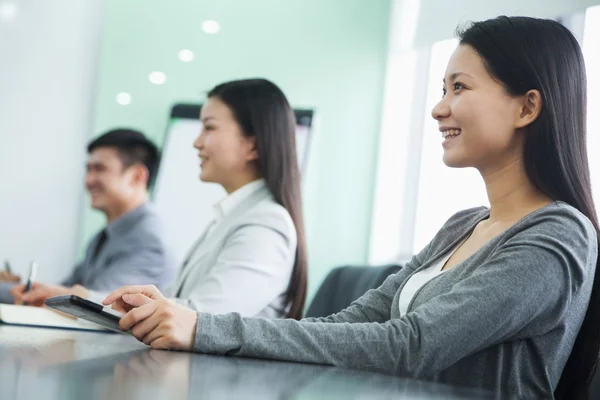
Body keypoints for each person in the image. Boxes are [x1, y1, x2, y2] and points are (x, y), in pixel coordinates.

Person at [103, 17, 600, 398]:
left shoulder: (558, 233)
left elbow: (410, 346)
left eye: (460, 88)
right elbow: (350, 323)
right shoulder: (463, 225)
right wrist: (197, 327)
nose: (438, 108)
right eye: (441, 89)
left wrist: (205, 328)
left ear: (527, 107)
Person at [116, 79, 308, 319]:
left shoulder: (265, 223)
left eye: (209, 127)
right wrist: (92, 301)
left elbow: (205, 320)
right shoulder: (236, 215)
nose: (197, 143)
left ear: (253, 145)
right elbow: (178, 303)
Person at [5, 129, 177, 305]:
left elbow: (105, 306)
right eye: (88, 169)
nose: (89, 180)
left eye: (99, 169)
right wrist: (13, 287)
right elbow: (62, 291)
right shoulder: (104, 237)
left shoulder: (148, 239)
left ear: (136, 176)